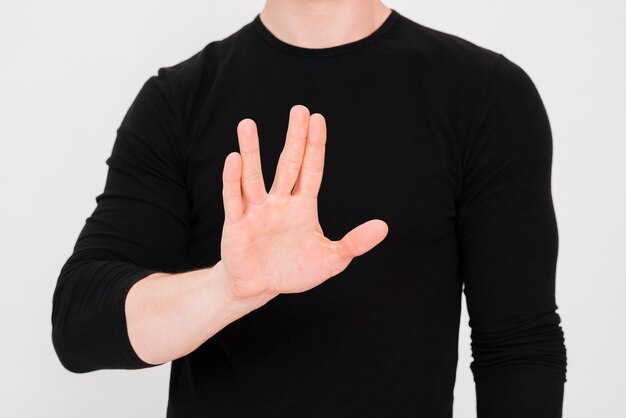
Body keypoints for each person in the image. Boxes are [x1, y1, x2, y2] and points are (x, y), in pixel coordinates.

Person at [51, 0, 567, 416]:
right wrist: (228, 288)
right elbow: (79, 326)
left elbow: (518, 347)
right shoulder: (177, 102)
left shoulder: (485, 96)